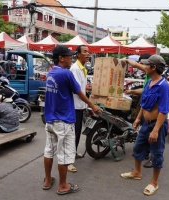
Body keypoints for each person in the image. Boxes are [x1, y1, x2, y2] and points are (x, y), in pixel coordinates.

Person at [42, 45, 101, 195]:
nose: (71, 58)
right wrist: (93, 106)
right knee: (63, 154)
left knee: (49, 151)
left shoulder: (51, 73)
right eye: (68, 56)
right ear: (61, 58)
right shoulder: (66, 73)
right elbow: (79, 93)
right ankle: (63, 186)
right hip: (63, 120)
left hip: (50, 119)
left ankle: (48, 180)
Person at [120, 54, 169, 196]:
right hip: (145, 123)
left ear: (153, 67)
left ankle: (154, 182)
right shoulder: (149, 82)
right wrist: (138, 118)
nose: (144, 67)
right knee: (138, 147)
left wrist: (155, 130)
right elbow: (144, 104)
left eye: (147, 65)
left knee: (156, 154)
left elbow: (163, 111)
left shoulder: (163, 86)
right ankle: (137, 172)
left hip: (157, 126)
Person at [125, 53, 153, 168]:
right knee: (144, 134)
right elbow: (144, 91)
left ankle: (152, 158)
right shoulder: (148, 75)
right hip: (145, 110)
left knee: (153, 138)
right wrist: (131, 92)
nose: (142, 66)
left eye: (143, 64)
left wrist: (126, 60)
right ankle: (144, 154)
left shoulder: (155, 77)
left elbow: (135, 65)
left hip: (152, 115)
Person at [68, 45, 91, 173]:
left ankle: (74, 153)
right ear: (77, 54)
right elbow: (77, 90)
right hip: (75, 106)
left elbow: (81, 87)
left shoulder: (82, 68)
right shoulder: (75, 68)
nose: (88, 54)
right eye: (85, 52)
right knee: (73, 134)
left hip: (80, 106)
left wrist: (89, 88)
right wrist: (90, 103)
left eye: (88, 52)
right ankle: (69, 162)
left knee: (76, 133)